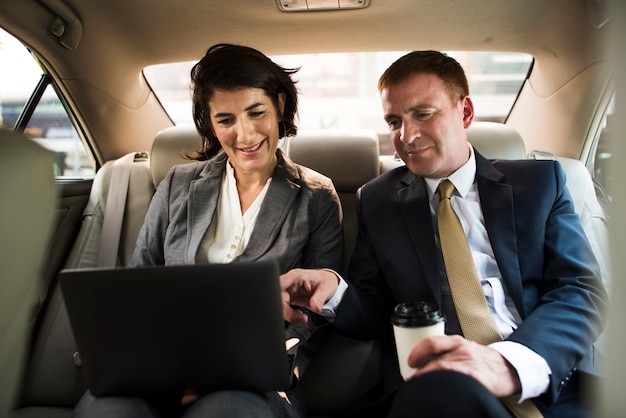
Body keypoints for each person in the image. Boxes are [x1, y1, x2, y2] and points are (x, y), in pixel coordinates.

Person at [280, 50, 608, 417]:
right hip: (433, 387)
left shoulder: (539, 183)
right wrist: (334, 290)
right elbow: (373, 311)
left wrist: (507, 364)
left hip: (546, 380)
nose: (406, 136)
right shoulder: (377, 201)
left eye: (423, 114)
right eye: (393, 121)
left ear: (465, 112)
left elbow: (580, 290)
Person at [72, 43, 343, 418]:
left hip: (255, 381)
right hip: (160, 368)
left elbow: (318, 311)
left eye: (256, 112)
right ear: (211, 124)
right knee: (107, 410)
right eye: (226, 120)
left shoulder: (317, 196)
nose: (244, 135)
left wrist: (273, 364)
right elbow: (140, 282)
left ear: (279, 105)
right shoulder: (177, 185)